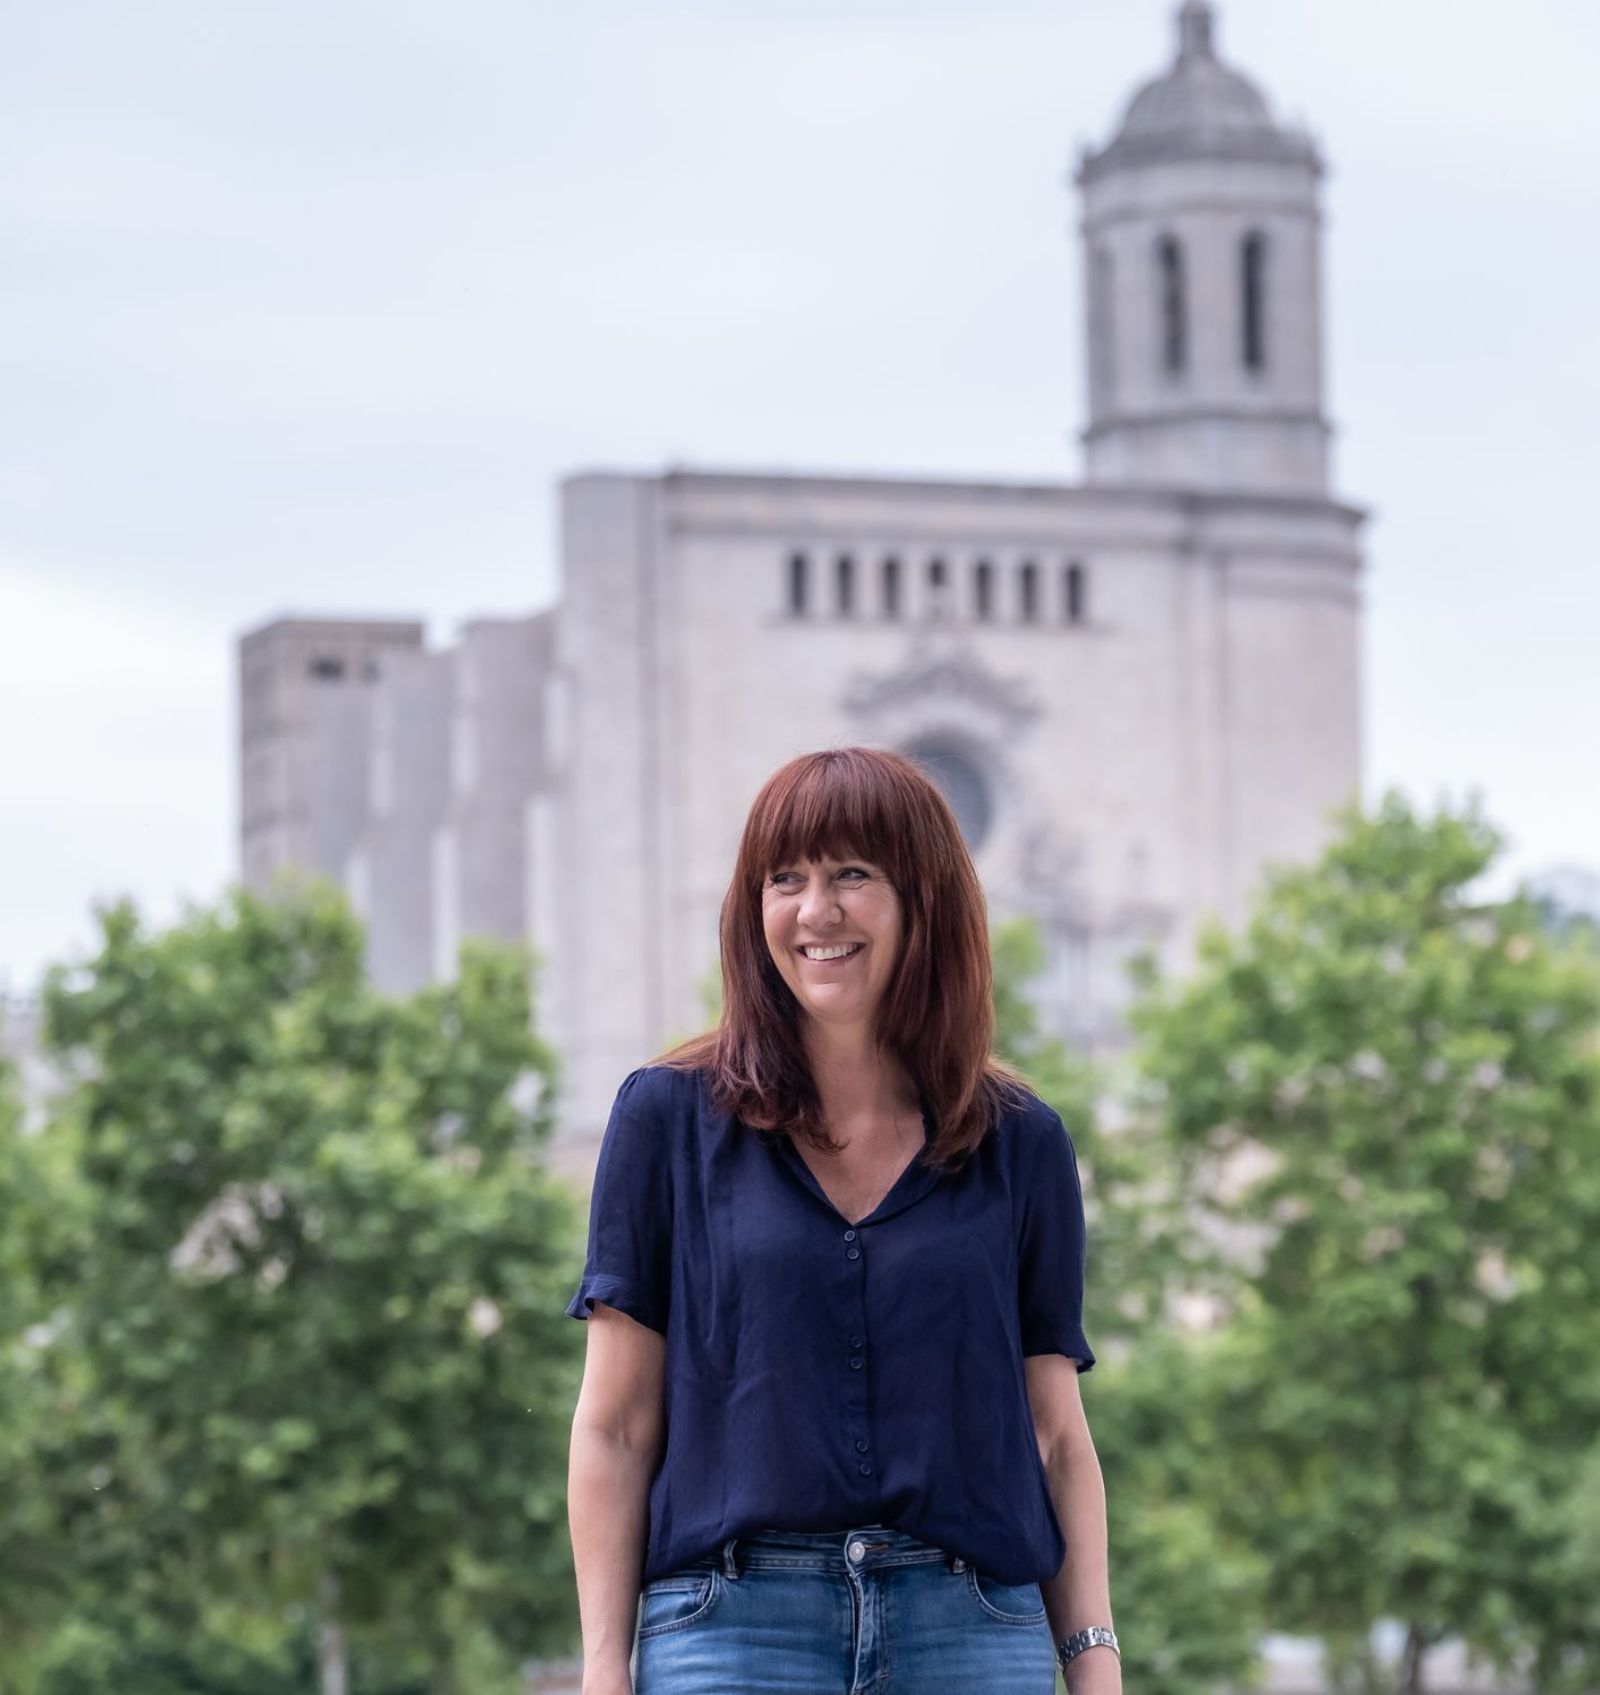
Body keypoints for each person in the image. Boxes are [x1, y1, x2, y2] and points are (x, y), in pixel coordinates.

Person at [565, 746, 1120, 1695]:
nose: (816, 911)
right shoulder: (665, 1119)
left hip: (973, 1630)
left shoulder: (1020, 1142)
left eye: (852, 875)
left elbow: (1055, 1432)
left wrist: (1095, 1665)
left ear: (923, 901)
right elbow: (616, 1425)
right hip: (730, 1633)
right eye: (787, 879)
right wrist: (604, 1673)